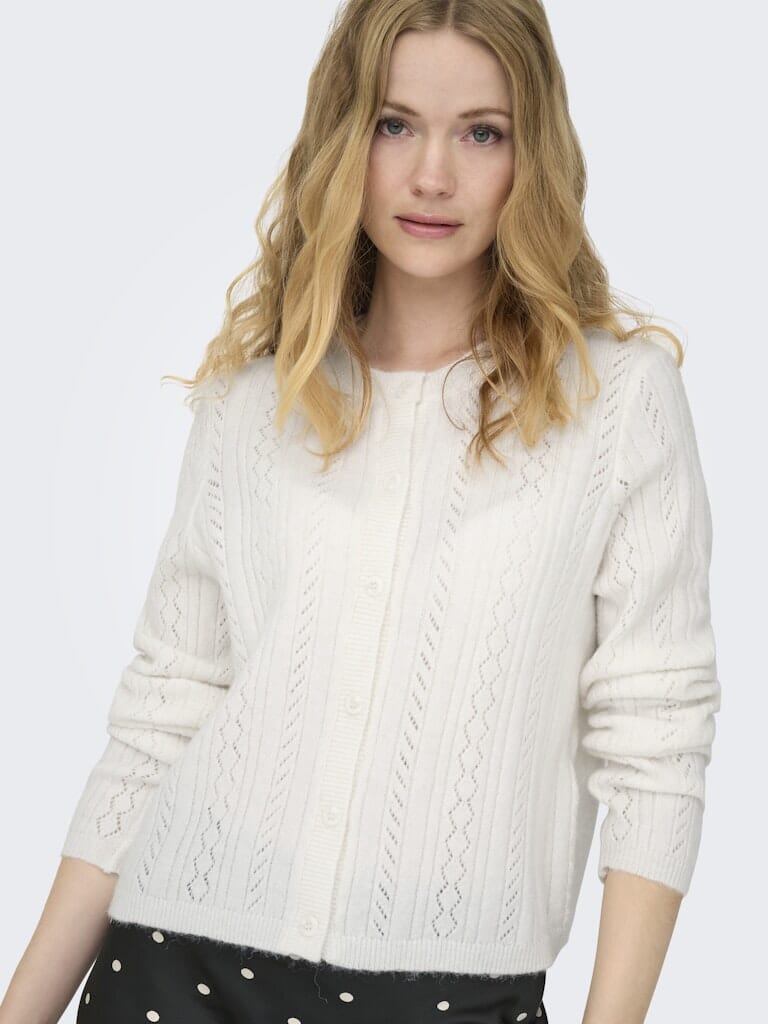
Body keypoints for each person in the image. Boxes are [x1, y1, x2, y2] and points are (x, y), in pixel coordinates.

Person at [0, 2, 721, 1023]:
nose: (433, 174)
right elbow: (163, 715)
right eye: (394, 124)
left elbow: (656, 739)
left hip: (452, 994)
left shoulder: (617, 404)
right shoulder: (254, 405)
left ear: (533, 158)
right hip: (172, 964)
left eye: (482, 133)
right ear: (345, 141)